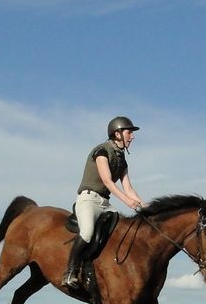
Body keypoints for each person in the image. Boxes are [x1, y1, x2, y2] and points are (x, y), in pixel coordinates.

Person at [62, 116, 145, 288]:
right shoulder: (101, 151)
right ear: (117, 134)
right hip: (88, 199)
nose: (132, 136)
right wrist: (127, 201)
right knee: (87, 232)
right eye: (129, 133)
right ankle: (69, 272)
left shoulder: (122, 160)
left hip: (105, 204)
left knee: (120, 231)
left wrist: (145, 207)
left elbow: (129, 188)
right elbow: (107, 181)